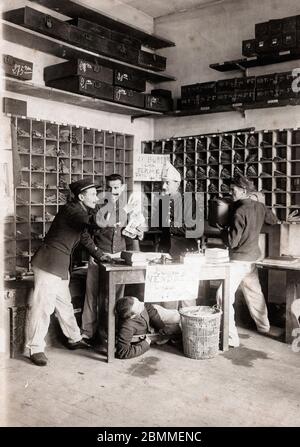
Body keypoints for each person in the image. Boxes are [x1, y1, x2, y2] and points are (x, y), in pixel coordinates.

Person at [26, 179, 106, 366]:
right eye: (93, 194)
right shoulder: (72, 210)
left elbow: (84, 237)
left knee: (64, 303)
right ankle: (35, 348)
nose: (97, 198)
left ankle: (74, 337)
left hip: (60, 265)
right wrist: (111, 212)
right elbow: (93, 222)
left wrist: (101, 256)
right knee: (43, 306)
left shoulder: (80, 212)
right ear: (81, 197)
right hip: (49, 263)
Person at [81, 174, 145, 343]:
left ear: (123, 187)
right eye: (109, 188)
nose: (112, 191)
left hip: (119, 256)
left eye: (116, 188)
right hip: (99, 255)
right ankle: (87, 332)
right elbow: (92, 230)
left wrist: (138, 231)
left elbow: (133, 234)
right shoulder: (97, 205)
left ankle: (110, 333)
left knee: (116, 297)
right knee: (92, 295)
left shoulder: (129, 206)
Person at [216, 174, 278, 347]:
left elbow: (232, 242)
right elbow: (273, 221)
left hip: (238, 260)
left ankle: (230, 338)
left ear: (243, 191)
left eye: (233, 190)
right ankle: (264, 327)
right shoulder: (259, 206)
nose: (230, 193)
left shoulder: (239, 210)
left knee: (222, 296)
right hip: (252, 259)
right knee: (254, 294)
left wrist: (222, 229)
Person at [152, 162, 203, 309]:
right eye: (163, 183)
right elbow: (159, 226)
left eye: (167, 183)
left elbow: (193, 228)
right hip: (166, 251)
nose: (163, 186)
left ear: (177, 183)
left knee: (187, 292)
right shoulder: (163, 201)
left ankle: (189, 324)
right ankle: (170, 325)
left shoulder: (189, 201)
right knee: (168, 291)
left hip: (185, 252)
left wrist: (170, 224)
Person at [115, 296, 181, 359]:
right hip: (148, 327)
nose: (142, 303)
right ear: (133, 316)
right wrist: (145, 344)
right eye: (139, 307)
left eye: (138, 301)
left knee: (178, 317)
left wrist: (161, 327)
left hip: (153, 314)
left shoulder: (137, 304)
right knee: (177, 328)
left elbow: (148, 306)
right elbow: (122, 352)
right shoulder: (126, 328)